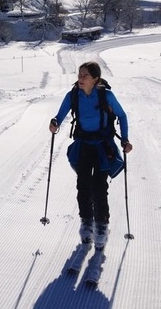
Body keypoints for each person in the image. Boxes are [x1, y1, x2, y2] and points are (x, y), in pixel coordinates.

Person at [49, 61, 133, 250]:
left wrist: (125, 139)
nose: (80, 78)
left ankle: (101, 227)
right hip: (83, 145)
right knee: (83, 186)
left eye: (85, 75)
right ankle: (86, 224)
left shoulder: (106, 96)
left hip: (103, 147)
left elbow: (122, 116)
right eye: (79, 75)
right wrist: (54, 123)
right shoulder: (74, 96)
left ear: (95, 79)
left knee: (99, 188)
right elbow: (60, 115)